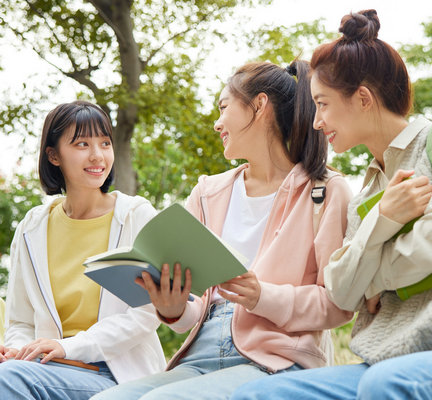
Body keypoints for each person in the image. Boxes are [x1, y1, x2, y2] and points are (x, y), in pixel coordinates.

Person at [231, 9, 432, 400]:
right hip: (387, 357)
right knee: (258, 395)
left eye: (323, 104)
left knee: (387, 385)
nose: (315, 122)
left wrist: (372, 277)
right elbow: (342, 290)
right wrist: (381, 219)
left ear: (362, 98)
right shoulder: (365, 194)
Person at [91, 59, 354, 400]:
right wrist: (172, 308)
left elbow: (338, 304)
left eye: (223, 108)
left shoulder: (325, 191)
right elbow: (194, 309)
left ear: (259, 106)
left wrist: (263, 297)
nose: (217, 124)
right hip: (199, 356)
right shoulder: (208, 193)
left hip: (275, 360)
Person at [0, 101, 166, 399]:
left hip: (116, 374)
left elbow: (146, 314)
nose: (97, 155)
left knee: (9, 379)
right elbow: (21, 320)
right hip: (46, 368)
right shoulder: (31, 228)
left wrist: (68, 347)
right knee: (9, 373)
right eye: (82, 144)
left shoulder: (135, 216)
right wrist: (17, 350)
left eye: (104, 143)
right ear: (53, 155)